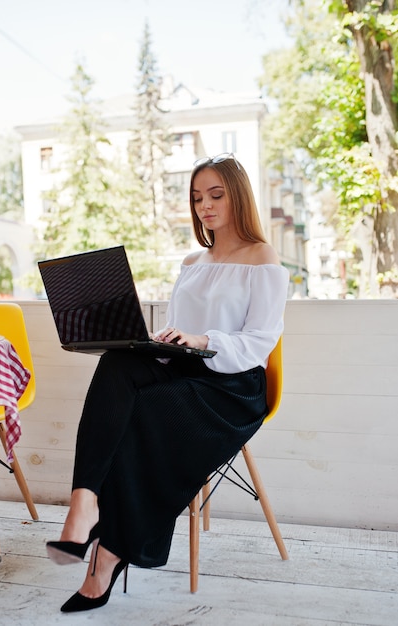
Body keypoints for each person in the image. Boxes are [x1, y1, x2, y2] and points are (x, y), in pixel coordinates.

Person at [46, 152, 289, 613]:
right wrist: (163, 341)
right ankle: (84, 504)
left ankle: (108, 552)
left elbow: (258, 341)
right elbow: (183, 327)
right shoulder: (192, 260)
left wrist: (202, 338)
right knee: (119, 363)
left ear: (237, 195)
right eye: (197, 197)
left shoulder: (263, 257)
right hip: (188, 367)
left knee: (143, 411)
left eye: (216, 195)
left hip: (233, 388)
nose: (205, 206)